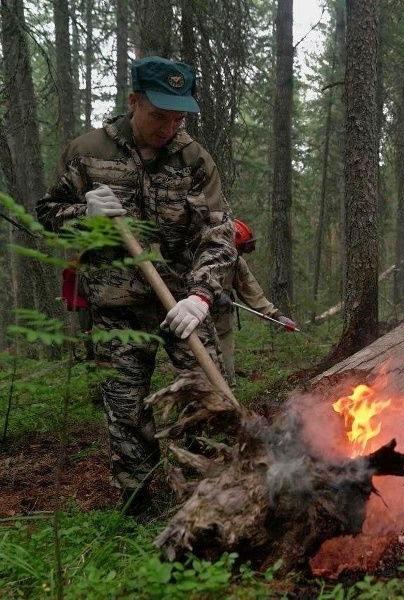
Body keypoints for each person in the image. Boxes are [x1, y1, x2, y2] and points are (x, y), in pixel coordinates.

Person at [36, 56, 237, 514]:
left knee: (209, 394)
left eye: (179, 117)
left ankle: (209, 496)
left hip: (181, 304)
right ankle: (137, 505)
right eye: (160, 116)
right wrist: (80, 214)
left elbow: (218, 235)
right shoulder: (87, 152)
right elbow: (48, 215)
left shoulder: (195, 160)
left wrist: (201, 295)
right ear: (133, 102)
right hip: (117, 308)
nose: (170, 127)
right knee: (126, 410)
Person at [212, 218, 295, 387]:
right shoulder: (206, 258)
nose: (241, 253)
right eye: (241, 248)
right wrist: (213, 293)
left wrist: (277, 316)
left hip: (223, 327)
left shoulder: (237, 263)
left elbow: (251, 290)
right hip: (198, 326)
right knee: (201, 375)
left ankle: (228, 406)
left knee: (226, 376)